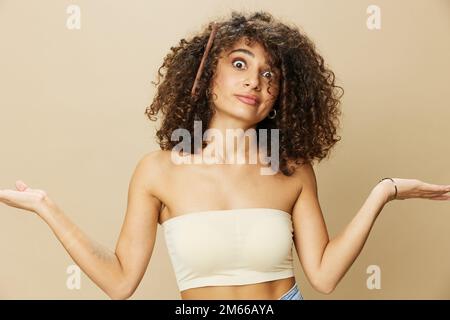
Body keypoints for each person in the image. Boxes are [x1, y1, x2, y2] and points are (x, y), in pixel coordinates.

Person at [1, 11, 449, 301]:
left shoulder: (290, 169)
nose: (255, 81)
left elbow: (325, 277)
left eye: (268, 73)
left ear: (281, 95)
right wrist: (46, 207)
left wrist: (383, 192)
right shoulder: (156, 171)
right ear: (206, 74)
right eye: (239, 64)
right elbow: (120, 281)